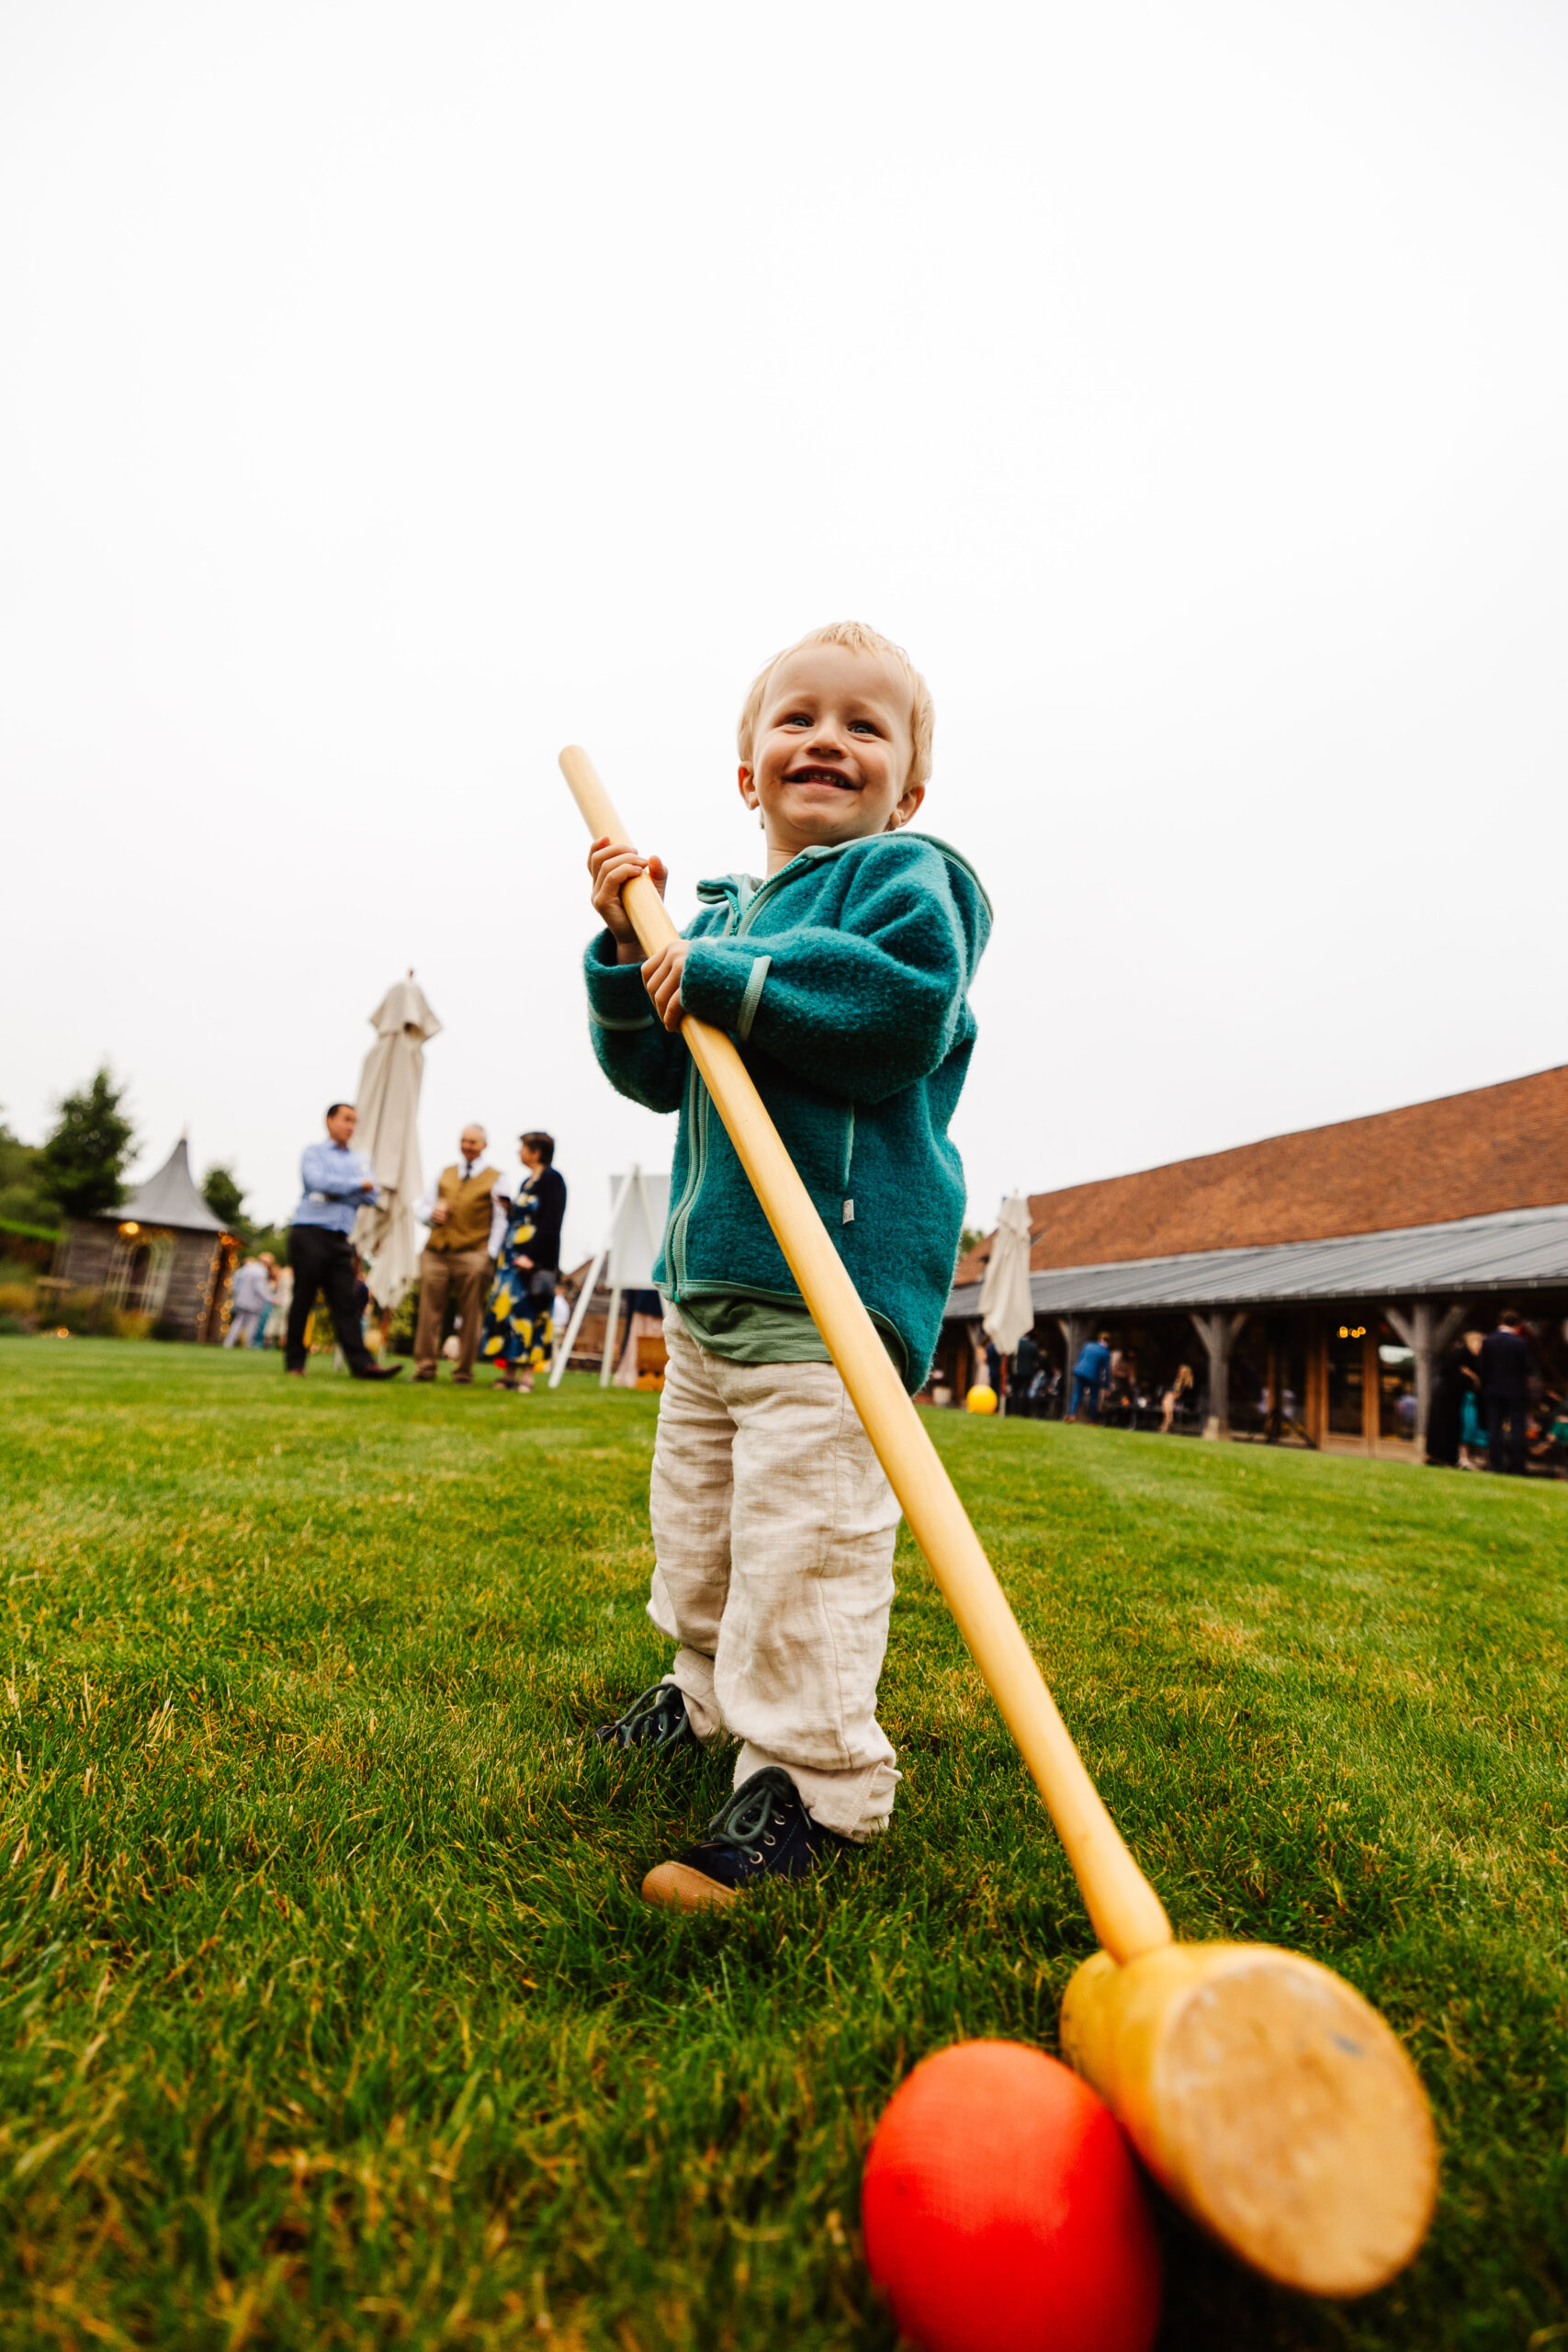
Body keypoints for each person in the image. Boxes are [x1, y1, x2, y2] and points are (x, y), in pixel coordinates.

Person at [582, 619, 989, 1907]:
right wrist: (624, 944)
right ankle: (697, 1693)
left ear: (905, 786)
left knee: (803, 1545)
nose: (828, 738)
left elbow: (893, 1010)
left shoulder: (908, 881)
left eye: (864, 726)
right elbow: (653, 1071)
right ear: (747, 772)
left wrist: (713, 969)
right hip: (711, 1300)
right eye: (797, 719)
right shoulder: (709, 915)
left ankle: (809, 1782)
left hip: (834, 1295)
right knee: (697, 1531)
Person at [284, 1104, 401, 1380]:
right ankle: (295, 1362)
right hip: (309, 1233)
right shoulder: (314, 1152)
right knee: (304, 1298)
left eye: (354, 1121)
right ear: (329, 1120)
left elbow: (372, 1197)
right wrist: (357, 1186)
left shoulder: (360, 1160)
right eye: (346, 1119)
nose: (351, 1126)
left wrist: (341, 1188)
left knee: (346, 1301)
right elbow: (316, 1182)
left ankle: (362, 1365)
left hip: (340, 1239)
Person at [412, 1125, 502, 1385]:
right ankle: (424, 1368)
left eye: (473, 1141)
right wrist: (432, 1214)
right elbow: (422, 1209)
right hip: (436, 1251)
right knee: (429, 1310)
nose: (467, 1145)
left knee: (471, 1312)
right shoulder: (445, 1173)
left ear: (484, 1145)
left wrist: (489, 1254)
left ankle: (463, 1371)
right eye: (463, 1140)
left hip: (474, 1252)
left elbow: (500, 1220)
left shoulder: (496, 1178)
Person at [480, 1133, 567, 1392]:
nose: (519, 1152)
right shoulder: (525, 1182)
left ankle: (527, 1375)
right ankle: (508, 1372)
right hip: (511, 1259)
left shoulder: (552, 1180)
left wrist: (534, 1257)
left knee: (531, 1314)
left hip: (533, 1260)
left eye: (523, 1148)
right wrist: (509, 1209)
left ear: (536, 1152)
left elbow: (551, 1221)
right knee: (509, 1313)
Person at [1480, 1308, 1531, 1475]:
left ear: (1500, 1322)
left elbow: (1482, 1368)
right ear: (1517, 1325)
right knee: (1517, 1429)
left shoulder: (1488, 1342)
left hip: (1493, 1390)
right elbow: (1527, 1368)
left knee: (1494, 1428)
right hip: (1516, 1391)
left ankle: (1495, 1464)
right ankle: (1517, 1467)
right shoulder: (1520, 1343)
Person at [1426, 1331, 1482, 1469]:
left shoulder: (1468, 1357)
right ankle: (1442, 1456)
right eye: (1479, 1343)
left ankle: (1447, 1457)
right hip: (1448, 1399)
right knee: (1446, 1426)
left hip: (1454, 1398)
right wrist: (1471, 1377)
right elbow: (1449, 1371)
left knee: (1452, 1427)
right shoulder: (1461, 1354)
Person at [225, 1252, 276, 1348]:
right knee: (251, 1324)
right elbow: (260, 1288)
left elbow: (235, 1285)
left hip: (241, 1300)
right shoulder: (261, 1271)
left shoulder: (247, 1268)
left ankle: (228, 1344)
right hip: (253, 1303)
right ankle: (248, 1345)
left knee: (237, 1322)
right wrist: (271, 1298)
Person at [1069, 1331, 1111, 1422]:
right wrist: (1107, 1385)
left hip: (1080, 1371)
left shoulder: (1088, 1345)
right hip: (1093, 1375)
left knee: (1077, 1393)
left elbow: (1080, 1358)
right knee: (1094, 1397)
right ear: (1108, 1343)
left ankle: (1072, 1415)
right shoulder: (1105, 1352)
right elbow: (1107, 1370)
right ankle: (1091, 1418)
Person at [1159, 1362, 1194, 1434]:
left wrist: (1173, 1395)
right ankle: (1169, 1418)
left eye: (1183, 1372)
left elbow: (1184, 1395)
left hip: (1181, 1402)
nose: (1181, 1373)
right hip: (1172, 1401)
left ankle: (1167, 1421)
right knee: (1167, 1398)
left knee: (1168, 1398)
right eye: (1180, 1372)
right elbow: (1172, 1390)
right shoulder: (1177, 1381)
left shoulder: (1188, 1383)